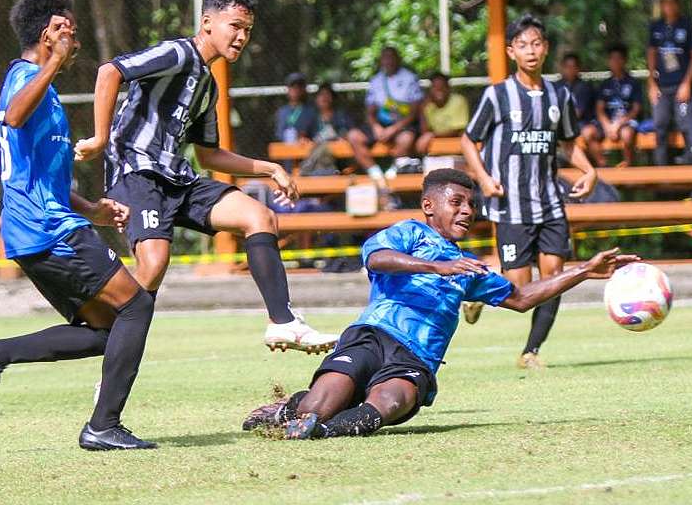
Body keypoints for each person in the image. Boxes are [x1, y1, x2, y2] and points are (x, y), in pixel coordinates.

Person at [241, 169, 639, 439]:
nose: (467, 210)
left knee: (391, 402)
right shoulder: (409, 233)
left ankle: (322, 432)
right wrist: (436, 265)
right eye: (457, 202)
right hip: (372, 336)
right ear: (430, 205)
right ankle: (292, 409)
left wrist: (584, 270)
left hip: (416, 358)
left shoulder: (467, 266)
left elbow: (520, 298)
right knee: (322, 402)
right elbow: (375, 259)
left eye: (471, 205)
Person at [73, 0, 336, 353]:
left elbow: (210, 156)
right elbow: (109, 71)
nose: (242, 37)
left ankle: (283, 322)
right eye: (236, 27)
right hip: (138, 172)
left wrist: (270, 169)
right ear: (207, 22)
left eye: (247, 30)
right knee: (152, 267)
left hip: (177, 179)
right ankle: (101, 345)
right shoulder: (178, 54)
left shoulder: (208, 85)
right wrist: (99, 138)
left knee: (259, 217)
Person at [0, 0, 156, 450]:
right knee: (136, 305)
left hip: (42, 229)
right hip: (47, 231)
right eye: (66, 30)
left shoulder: (43, 90)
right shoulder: (25, 77)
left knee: (107, 331)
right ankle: (103, 426)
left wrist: (92, 209)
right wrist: (50, 64)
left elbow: (43, 178)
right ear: (48, 33)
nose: (74, 42)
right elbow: (12, 115)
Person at [459, 14, 598, 370]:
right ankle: (477, 290)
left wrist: (589, 169)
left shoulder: (559, 95)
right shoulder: (497, 95)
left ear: (546, 48)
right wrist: (485, 180)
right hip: (511, 205)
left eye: (536, 43)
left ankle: (530, 352)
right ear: (511, 52)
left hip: (550, 201)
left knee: (553, 279)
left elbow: (568, 144)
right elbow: (468, 140)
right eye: (523, 45)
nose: (531, 50)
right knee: (518, 286)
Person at [646, 0, 692, 166]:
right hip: (661, 86)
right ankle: (660, 168)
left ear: (678, 5)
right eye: (665, 3)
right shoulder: (656, 26)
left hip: (682, 84)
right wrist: (651, 83)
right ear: (661, 6)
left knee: (685, 121)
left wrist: (687, 83)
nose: (669, 6)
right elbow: (651, 53)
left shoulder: (687, 25)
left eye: (672, 2)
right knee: (660, 123)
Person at [348, 47, 425, 182]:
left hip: (403, 124)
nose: (388, 61)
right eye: (385, 58)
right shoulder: (376, 80)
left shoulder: (410, 78)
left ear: (398, 59)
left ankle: (392, 172)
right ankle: (375, 174)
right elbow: (370, 111)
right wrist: (376, 127)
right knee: (354, 136)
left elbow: (414, 112)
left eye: (391, 57)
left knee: (406, 139)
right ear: (381, 61)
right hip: (381, 124)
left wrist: (394, 129)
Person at [595, 44, 643, 166]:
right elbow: (599, 109)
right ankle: (602, 166)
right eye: (612, 59)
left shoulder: (633, 83)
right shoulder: (605, 84)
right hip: (608, 123)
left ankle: (627, 165)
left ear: (625, 60)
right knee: (588, 133)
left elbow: (636, 109)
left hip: (626, 122)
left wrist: (618, 124)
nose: (615, 62)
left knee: (627, 134)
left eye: (618, 58)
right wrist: (607, 125)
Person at [558, 53, 604, 167]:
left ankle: (602, 166)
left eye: (573, 67)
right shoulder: (556, 87)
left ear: (578, 68)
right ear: (562, 68)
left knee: (585, 134)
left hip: (583, 124)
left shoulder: (584, 87)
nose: (570, 70)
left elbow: (577, 113)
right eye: (567, 66)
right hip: (562, 124)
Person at [415, 72, 470, 155]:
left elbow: (457, 130)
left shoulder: (458, 101)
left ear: (448, 88)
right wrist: (422, 110)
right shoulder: (428, 105)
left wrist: (432, 135)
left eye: (442, 87)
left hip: (457, 149)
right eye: (435, 87)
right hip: (435, 150)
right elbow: (424, 133)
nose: (439, 90)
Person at [274, 72, 317, 143]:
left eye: (300, 86)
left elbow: (316, 135)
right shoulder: (281, 112)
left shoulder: (312, 111)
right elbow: (279, 135)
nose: (296, 89)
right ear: (288, 89)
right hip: (285, 149)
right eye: (292, 86)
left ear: (304, 89)